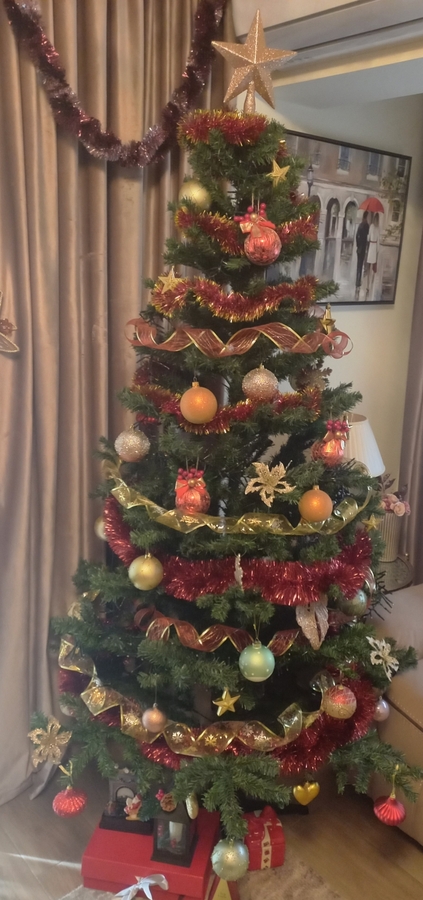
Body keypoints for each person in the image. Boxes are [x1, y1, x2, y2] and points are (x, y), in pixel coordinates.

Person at [366, 212, 380, 298]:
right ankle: (371, 284)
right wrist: (377, 251)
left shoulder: (371, 226)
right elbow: (378, 240)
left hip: (371, 246)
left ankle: (367, 285)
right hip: (374, 247)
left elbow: (368, 238)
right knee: (373, 267)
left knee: (368, 266)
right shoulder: (378, 228)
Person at [355, 210, 369, 289]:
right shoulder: (366, 226)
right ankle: (359, 280)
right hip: (363, 247)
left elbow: (357, 236)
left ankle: (358, 280)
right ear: (366, 217)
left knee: (359, 264)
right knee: (361, 263)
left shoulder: (360, 225)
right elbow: (367, 237)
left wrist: (358, 245)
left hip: (359, 247)